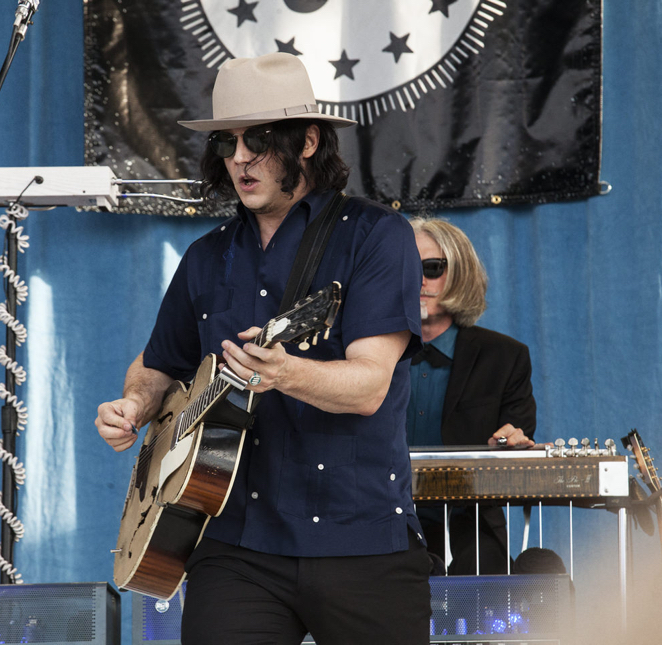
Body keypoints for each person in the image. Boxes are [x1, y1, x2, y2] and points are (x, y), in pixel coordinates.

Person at [96, 52, 431, 644]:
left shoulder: (376, 235)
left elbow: (370, 386)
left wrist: (284, 372)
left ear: (306, 142)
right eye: (227, 144)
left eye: (259, 140)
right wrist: (133, 405)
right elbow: (156, 365)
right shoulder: (207, 255)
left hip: (359, 535)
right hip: (235, 543)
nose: (240, 158)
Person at [408, 217, 537, 575]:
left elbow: (519, 436)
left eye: (432, 268)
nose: (418, 280)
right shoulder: (359, 354)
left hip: (471, 529)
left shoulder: (506, 357)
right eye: (404, 267)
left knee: (486, 588)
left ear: (460, 273)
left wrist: (512, 442)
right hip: (380, 527)